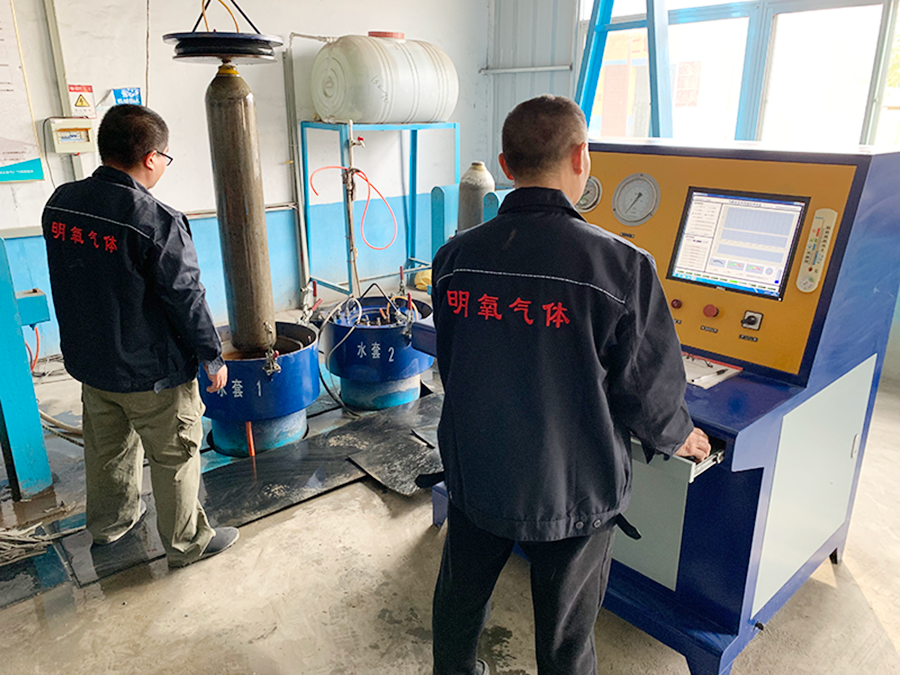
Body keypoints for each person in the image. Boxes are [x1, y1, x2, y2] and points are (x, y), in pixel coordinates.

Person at [430, 95, 711, 675]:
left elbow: (454, 363)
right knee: (565, 641)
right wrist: (680, 435)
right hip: (571, 490)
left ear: (505, 166)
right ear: (582, 156)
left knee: (460, 601)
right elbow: (646, 390)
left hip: (476, 472)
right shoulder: (622, 266)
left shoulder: (455, 257)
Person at [42, 104, 239, 568]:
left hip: (93, 364)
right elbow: (187, 296)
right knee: (175, 455)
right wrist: (211, 355)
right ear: (151, 158)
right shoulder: (155, 218)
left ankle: (111, 527)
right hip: (153, 372)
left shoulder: (61, 203)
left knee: (107, 450)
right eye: (165, 158)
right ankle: (186, 544)